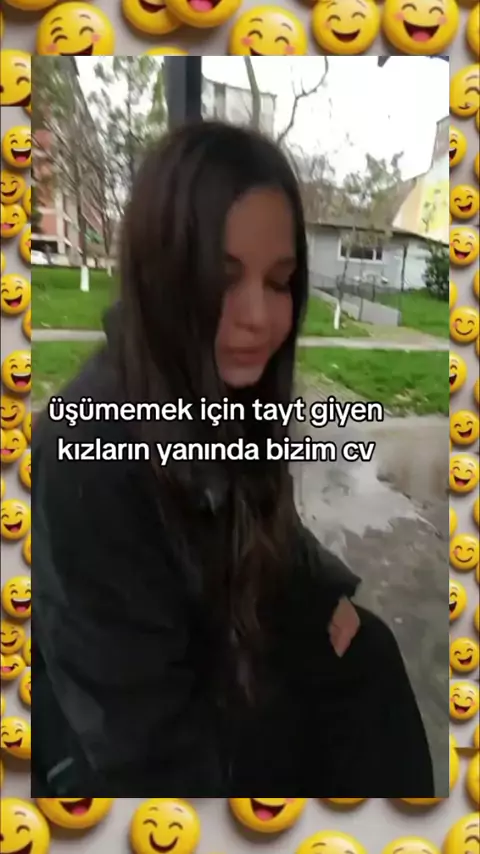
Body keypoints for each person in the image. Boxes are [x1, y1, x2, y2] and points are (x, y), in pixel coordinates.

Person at [32, 121, 434, 796]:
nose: (259, 317)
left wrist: (320, 593)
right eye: (223, 279)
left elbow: (267, 524)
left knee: (368, 656)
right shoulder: (84, 453)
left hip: (225, 657)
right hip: (137, 739)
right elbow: (138, 741)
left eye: (279, 283)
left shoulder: (230, 388)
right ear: (161, 273)